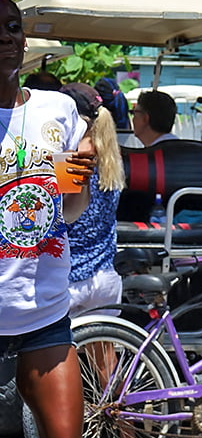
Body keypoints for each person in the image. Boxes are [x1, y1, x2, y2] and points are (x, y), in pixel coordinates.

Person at [0, 0, 94, 438]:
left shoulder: (56, 110)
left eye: (13, 27)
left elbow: (72, 210)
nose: (5, 37)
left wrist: (79, 178)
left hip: (43, 315)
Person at [59, 83, 125, 318]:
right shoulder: (111, 155)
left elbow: (64, 213)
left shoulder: (70, 155)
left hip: (70, 279)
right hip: (105, 275)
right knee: (105, 353)